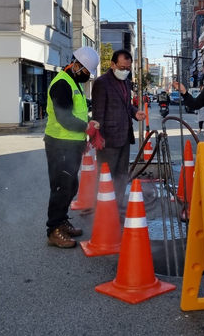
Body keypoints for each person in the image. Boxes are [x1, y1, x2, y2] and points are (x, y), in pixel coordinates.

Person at [44, 46, 101, 249]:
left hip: (70, 144)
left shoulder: (73, 83)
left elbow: (77, 112)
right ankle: (54, 230)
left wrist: (82, 141)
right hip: (59, 144)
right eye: (86, 71)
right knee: (61, 187)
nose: (87, 75)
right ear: (76, 65)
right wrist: (87, 128)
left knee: (70, 186)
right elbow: (65, 118)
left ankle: (61, 221)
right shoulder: (62, 84)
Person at [91, 49, 146, 210]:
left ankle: (117, 206)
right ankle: (102, 209)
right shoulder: (102, 82)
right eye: (122, 68)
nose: (125, 71)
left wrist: (135, 113)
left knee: (122, 174)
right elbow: (98, 112)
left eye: (128, 68)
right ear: (112, 65)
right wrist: (98, 137)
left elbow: (125, 105)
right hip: (108, 138)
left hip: (124, 136)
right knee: (106, 175)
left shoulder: (127, 82)